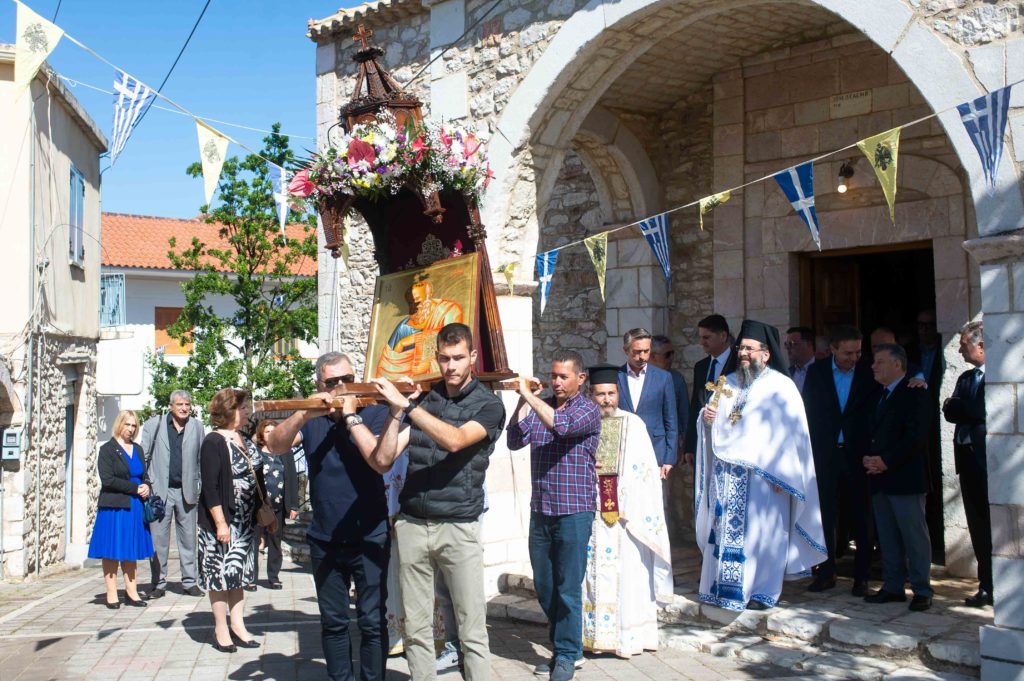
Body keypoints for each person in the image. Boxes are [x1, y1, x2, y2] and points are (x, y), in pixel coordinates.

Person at [370, 323, 506, 681]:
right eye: (444, 359)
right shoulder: (425, 401)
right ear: (437, 358)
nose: (451, 366)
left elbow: (457, 441)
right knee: (416, 629)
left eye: (459, 358)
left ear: (473, 357)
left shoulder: (489, 406)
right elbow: (383, 460)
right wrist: (396, 411)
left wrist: (410, 409)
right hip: (413, 524)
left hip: (459, 526)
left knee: (471, 630)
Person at [267, 352, 391, 681]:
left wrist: (352, 418)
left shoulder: (374, 411)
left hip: (370, 534)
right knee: (333, 623)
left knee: (372, 620)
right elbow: (275, 445)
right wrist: (303, 414)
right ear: (319, 385)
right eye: (333, 382)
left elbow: (379, 460)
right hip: (325, 538)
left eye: (347, 379)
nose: (341, 387)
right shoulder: (312, 419)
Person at [695, 320, 826, 611]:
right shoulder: (726, 384)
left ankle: (761, 592)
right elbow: (714, 420)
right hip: (728, 478)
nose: (743, 353)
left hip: (765, 480)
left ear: (766, 354)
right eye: (741, 347)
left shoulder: (782, 388)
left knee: (761, 536)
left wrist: (787, 474)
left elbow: (794, 435)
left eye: (749, 349)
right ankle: (723, 589)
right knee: (726, 535)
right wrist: (706, 419)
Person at [507, 350, 601, 681]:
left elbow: (561, 427)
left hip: (574, 510)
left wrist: (529, 397)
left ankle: (566, 653)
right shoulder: (541, 405)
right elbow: (514, 440)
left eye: (563, 376)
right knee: (545, 586)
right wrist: (523, 400)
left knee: (567, 586)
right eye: (553, 375)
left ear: (581, 378)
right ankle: (567, 646)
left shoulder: (588, 410)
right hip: (542, 509)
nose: (556, 382)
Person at [582, 364, 673, 658]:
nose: (607, 400)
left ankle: (628, 639)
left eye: (611, 393)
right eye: (600, 394)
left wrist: (625, 493)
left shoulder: (634, 424)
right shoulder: (584, 421)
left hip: (626, 516)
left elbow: (646, 469)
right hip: (593, 512)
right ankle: (594, 639)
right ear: (590, 395)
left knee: (629, 575)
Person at [802, 325, 879, 596]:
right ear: (832, 349)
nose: (853, 358)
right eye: (848, 353)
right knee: (824, 515)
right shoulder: (816, 372)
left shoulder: (870, 371)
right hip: (827, 453)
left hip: (859, 453)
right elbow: (809, 410)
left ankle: (862, 577)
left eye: (858, 352)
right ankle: (826, 571)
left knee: (861, 515)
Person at [863, 344, 933, 611]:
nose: (873, 366)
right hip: (879, 478)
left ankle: (922, 588)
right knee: (888, 536)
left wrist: (886, 461)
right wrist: (869, 459)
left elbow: (915, 437)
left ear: (897, 365)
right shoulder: (879, 394)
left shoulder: (915, 392)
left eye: (879, 362)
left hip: (905, 478)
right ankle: (892, 586)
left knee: (913, 535)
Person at [197, 388, 264, 653]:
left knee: (238, 575)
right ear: (229, 411)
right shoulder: (213, 442)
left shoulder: (244, 437)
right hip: (221, 522)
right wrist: (221, 523)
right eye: (244, 406)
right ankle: (221, 629)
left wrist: (265, 511)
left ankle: (239, 626)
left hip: (246, 522)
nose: (248, 411)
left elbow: (257, 477)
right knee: (219, 576)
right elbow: (210, 487)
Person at [943, 321, 992, 608]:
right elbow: (950, 410)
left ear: (982, 346)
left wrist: (961, 408)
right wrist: (961, 408)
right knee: (978, 527)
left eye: (965, 345)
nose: (961, 350)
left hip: (989, 463)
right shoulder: (965, 378)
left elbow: (980, 409)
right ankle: (986, 585)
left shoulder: (997, 377)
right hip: (969, 464)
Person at [140, 389, 205, 599]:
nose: (184, 408)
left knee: (188, 539)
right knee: (159, 540)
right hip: (160, 492)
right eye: (180, 405)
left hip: (187, 491)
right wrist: (146, 484)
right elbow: (145, 457)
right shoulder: (154, 425)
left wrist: (200, 487)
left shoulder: (196, 426)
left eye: (187, 404)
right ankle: (158, 583)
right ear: (171, 406)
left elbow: (201, 459)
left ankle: (190, 582)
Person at [88, 410, 153, 609]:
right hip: (114, 506)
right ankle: (111, 593)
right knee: (112, 550)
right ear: (119, 424)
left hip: (134, 506)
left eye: (134, 426)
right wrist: (135, 488)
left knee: (130, 549)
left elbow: (143, 475)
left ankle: (131, 592)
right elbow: (108, 479)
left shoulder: (138, 449)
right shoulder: (108, 449)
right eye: (128, 425)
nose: (131, 429)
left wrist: (146, 486)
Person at [616, 328, 678, 480]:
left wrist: (669, 459)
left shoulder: (663, 378)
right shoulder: (616, 377)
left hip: (655, 452)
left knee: (653, 502)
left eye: (646, 351)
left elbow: (671, 421)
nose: (642, 356)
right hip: (623, 452)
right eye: (636, 352)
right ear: (626, 351)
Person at [376, 279, 464, 379]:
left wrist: (429, 363)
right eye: (410, 303)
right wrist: (402, 343)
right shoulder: (404, 326)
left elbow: (453, 342)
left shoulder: (449, 311)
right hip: (406, 380)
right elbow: (388, 362)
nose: (414, 307)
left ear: (429, 296)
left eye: (418, 301)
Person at [252, 420, 299, 590]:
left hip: (278, 506)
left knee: (275, 542)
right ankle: (251, 578)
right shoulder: (255, 452)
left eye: (273, 430)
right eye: (267, 431)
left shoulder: (285, 452)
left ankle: (273, 577)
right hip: (257, 507)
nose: (270, 434)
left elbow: (292, 479)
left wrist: (294, 505)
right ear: (261, 435)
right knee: (254, 541)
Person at [685, 315, 736, 466]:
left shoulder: (738, 365)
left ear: (723, 336)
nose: (702, 342)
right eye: (701, 337)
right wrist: (690, 445)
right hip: (703, 441)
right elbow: (695, 406)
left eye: (706, 337)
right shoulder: (701, 366)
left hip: (728, 440)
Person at [785, 326, 816, 393]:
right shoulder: (788, 373)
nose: (787, 348)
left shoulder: (824, 371)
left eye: (791, 344)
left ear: (808, 344)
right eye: (786, 344)